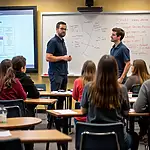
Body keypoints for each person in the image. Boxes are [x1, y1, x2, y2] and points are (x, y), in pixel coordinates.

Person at [81, 55, 139, 150]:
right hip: (117, 137)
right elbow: (125, 112)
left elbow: (83, 111)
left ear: (98, 70)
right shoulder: (122, 89)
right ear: (116, 70)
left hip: (92, 136)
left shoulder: (88, 87)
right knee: (134, 137)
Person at [46, 21, 72, 109]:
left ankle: (60, 120)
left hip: (63, 73)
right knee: (54, 98)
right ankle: (51, 120)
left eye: (65, 29)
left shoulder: (62, 42)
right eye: (61, 29)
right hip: (56, 74)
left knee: (62, 99)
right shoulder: (53, 42)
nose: (63, 31)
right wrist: (63, 58)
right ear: (57, 29)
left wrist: (66, 58)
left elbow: (61, 57)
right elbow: (48, 57)